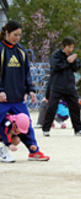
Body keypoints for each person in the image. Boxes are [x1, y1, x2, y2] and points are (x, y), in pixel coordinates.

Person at [0, 20, 49, 161]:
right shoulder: (1, 50)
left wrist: (31, 90)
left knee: (25, 123)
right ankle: (4, 150)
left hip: (17, 98)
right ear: (7, 33)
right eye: (15, 34)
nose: (17, 38)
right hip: (2, 99)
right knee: (2, 125)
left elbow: (26, 73)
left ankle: (34, 150)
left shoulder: (21, 51)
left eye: (19, 35)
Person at [42, 37, 81, 137]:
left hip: (70, 86)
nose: (70, 50)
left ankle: (78, 129)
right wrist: (67, 62)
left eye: (72, 47)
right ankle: (46, 129)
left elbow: (77, 67)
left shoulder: (72, 56)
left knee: (75, 107)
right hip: (57, 85)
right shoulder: (56, 55)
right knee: (52, 107)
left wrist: (73, 61)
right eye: (69, 47)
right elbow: (56, 66)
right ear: (63, 46)